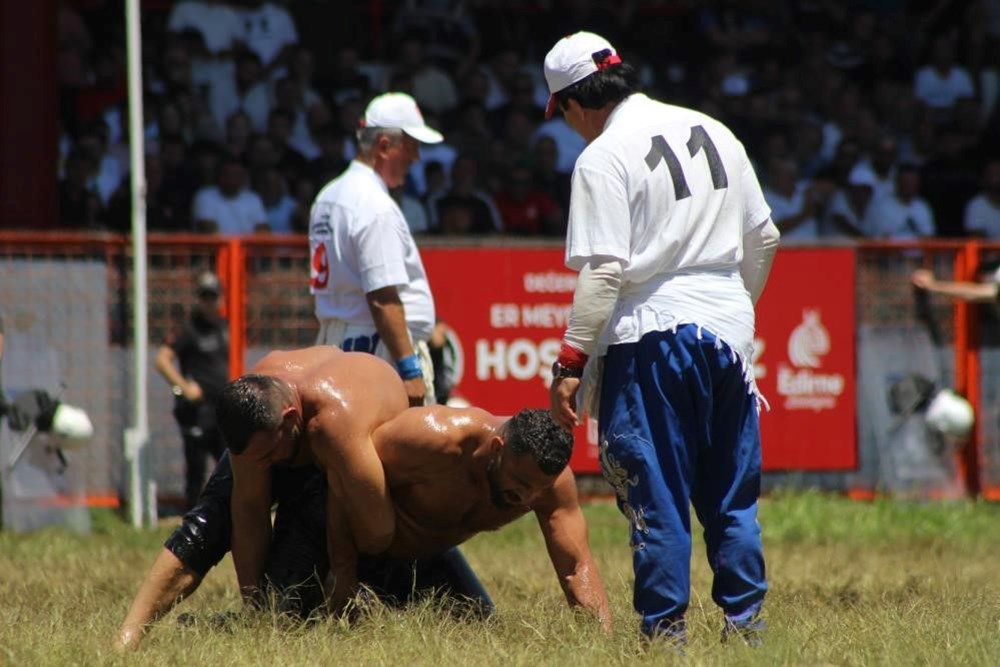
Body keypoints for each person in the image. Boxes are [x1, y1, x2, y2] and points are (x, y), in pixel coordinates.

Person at [116, 347, 610, 649]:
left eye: (531, 494)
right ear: (498, 450)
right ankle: (133, 634)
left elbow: (575, 564)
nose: (523, 498)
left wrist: (601, 643)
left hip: (394, 529)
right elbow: (253, 511)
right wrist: (271, 602)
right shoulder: (262, 410)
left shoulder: (335, 425)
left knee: (475, 625)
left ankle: (262, 613)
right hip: (347, 510)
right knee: (221, 536)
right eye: (518, 488)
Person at [542, 32, 779, 645]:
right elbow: (766, 239)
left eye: (563, 112)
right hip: (729, 333)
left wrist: (570, 360)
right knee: (732, 495)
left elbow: (603, 271)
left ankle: (664, 638)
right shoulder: (713, 129)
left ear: (574, 102)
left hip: (651, 334)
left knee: (657, 494)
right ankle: (745, 630)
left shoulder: (603, 155)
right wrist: (735, 313)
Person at [309, 92, 442, 406]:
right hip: (378, 350)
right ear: (384, 146)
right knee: (406, 451)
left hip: (338, 342)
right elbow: (383, 298)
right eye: (411, 146)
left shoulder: (328, 195)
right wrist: (410, 369)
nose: (416, 157)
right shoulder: (374, 205)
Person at [154, 272, 230, 510]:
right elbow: (162, 360)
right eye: (204, 297)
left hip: (221, 407)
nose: (209, 302)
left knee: (229, 466)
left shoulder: (223, 327)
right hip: (198, 409)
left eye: (213, 296)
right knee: (196, 470)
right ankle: (192, 519)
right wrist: (184, 388)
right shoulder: (188, 329)